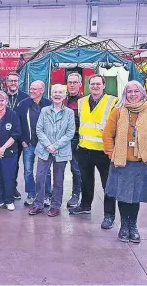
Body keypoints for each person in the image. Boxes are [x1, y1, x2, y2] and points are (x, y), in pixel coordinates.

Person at [102, 81, 147, 242]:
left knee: (135, 196)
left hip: (140, 162)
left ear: (142, 93)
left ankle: (133, 226)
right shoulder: (118, 111)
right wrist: (111, 153)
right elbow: (107, 134)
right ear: (124, 94)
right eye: (129, 92)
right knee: (122, 195)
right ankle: (123, 226)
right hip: (121, 161)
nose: (133, 94)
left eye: (136, 91)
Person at [69, 74, 118, 230]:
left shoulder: (113, 102)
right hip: (85, 149)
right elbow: (79, 124)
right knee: (86, 181)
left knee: (108, 185)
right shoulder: (82, 102)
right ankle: (85, 205)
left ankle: (109, 215)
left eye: (98, 84)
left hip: (104, 151)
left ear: (104, 85)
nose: (95, 86)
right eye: (92, 84)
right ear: (88, 86)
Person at [28, 84, 75, 217]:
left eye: (60, 92)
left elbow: (70, 133)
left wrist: (56, 146)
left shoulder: (69, 113)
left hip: (61, 152)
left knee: (58, 180)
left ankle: (55, 206)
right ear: (51, 94)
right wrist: (48, 145)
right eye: (55, 92)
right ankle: (38, 204)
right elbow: (39, 129)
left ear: (65, 95)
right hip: (44, 149)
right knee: (40, 177)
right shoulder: (44, 111)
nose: (57, 94)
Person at [15, 80, 52, 207]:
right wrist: (23, 141)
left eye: (34, 89)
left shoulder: (49, 104)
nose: (31, 91)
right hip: (28, 144)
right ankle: (31, 194)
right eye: (30, 88)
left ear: (42, 90)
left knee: (45, 171)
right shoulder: (23, 105)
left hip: (44, 145)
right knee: (28, 171)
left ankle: (47, 195)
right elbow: (17, 123)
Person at [0, 91, 21, 211]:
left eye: (2, 100)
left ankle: (9, 200)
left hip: (9, 153)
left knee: (9, 177)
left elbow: (16, 134)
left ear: (6, 102)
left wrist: (2, 148)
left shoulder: (13, 115)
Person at [5, 72, 29, 200]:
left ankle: (12, 187)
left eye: (15, 81)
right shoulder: (1, 96)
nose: (13, 83)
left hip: (18, 138)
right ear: (7, 82)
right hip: (1, 137)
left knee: (14, 164)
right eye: (11, 81)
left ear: (18, 82)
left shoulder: (25, 98)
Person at [64, 73, 84, 208]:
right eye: (70, 82)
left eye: (74, 82)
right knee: (57, 168)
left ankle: (76, 194)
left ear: (80, 84)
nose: (71, 85)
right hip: (61, 141)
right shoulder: (62, 100)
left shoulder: (84, 101)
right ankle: (53, 194)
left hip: (76, 140)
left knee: (76, 170)